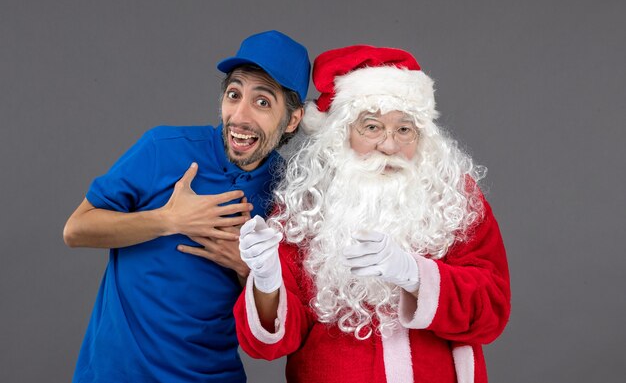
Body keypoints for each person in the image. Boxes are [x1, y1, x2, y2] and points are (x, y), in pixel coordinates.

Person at [234, 45, 511, 383]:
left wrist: (414, 275)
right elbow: (270, 345)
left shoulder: (454, 199)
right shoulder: (306, 207)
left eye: (404, 130)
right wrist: (265, 280)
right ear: (340, 136)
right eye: (372, 127)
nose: (390, 146)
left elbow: (492, 312)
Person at [62, 30, 311, 383]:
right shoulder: (164, 148)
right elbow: (76, 229)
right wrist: (170, 219)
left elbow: (280, 325)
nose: (239, 116)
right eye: (234, 94)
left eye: (262, 102)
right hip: (117, 372)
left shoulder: (288, 191)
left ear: (292, 119)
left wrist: (248, 270)